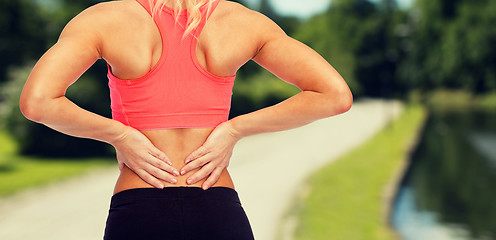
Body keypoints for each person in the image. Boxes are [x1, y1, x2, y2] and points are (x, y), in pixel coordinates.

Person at [19, 0, 353, 239]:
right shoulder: (243, 21)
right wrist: (234, 130)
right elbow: (334, 95)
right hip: (216, 205)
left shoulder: (105, 19)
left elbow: (38, 102)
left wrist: (121, 136)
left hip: (139, 207)